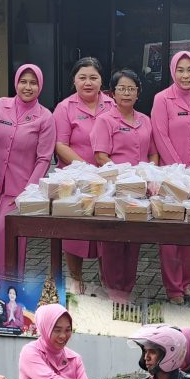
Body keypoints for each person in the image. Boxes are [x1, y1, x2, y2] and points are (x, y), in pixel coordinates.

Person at [92, 68, 159, 303]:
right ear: (112, 93)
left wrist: (149, 173)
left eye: (132, 89)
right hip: (115, 188)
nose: (127, 93)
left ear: (138, 93)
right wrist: (125, 175)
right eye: (122, 88)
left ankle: (127, 290)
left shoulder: (145, 120)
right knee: (113, 241)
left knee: (133, 240)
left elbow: (153, 154)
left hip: (140, 190)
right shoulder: (105, 120)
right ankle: (114, 291)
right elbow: (101, 156)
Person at [151, 51, 190, 304]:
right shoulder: (162, 99)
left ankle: (186, 284)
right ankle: (173, 289)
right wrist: (179, 170)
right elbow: (160, 134)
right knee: (170, 235)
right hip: (171, 177)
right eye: (180, 70)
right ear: (172, 71)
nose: (185, 75)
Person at [53, 57, 116, 294]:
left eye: (93, 77)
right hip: (74, 179)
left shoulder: (111, 105)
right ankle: (76, 278)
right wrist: (85, 167)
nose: (88, 82)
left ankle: (106, 277)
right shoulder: (64, 107)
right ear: (74, 80)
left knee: (105, 230)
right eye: (82, 77)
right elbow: (60, 144)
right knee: (75, 231)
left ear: (101, 80)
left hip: (105, 178)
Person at [0, 63, 55, 271]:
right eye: (23, 81)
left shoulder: (45, 117)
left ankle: (10, 292)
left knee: (5, 235)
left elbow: (44, 158)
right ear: (16, 83)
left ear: (40, 86)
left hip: (18, 192)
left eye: (33, 82)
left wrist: (28, 193)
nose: (27, 87)